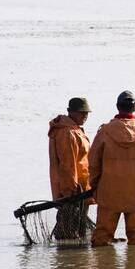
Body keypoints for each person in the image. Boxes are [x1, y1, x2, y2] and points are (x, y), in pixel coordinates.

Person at [88, 91, 135, 247]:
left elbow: (93, 163)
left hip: (108, 191)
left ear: (117, 107)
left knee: (101, 236)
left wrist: (95, 185)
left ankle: (104, 268)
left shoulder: (105, 132)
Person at [48, 97, 93, 239]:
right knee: (69, 231)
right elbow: (68, 165)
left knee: (76, 230)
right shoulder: (68, 133)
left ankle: (75, 259)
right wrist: (71, 191)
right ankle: (69, 257)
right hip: (74, 191)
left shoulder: (74, 130)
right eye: (81, 113)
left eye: (87, 113)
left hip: (81, 189)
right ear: (70, 112)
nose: (85, 116)